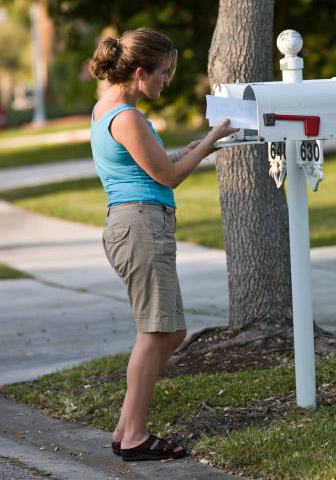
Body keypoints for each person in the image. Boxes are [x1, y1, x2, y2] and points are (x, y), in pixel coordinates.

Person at [89, 27, 237, 462]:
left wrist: (182, 150)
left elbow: (146, 165)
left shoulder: (106, 108)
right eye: (163, 73)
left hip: (134, 223)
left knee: (168, 331)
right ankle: (133, 436)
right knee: (156, 333)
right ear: (140, 72)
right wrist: (210, 142)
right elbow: (168, 178)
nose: (165, 81)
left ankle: (125, 428)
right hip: (140, 226)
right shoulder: (128, 117)